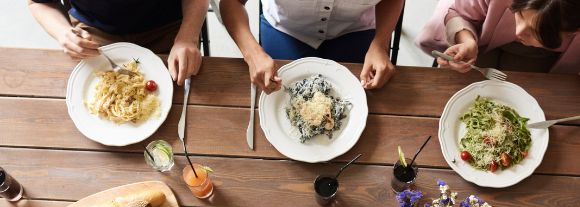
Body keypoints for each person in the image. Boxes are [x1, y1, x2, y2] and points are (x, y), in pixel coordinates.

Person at [218, 0, 405, 93]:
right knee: (278, 99)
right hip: (286, 28)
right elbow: (231, 2)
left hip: (356, 29)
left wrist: (380, 43)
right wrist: (253, 54)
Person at [27, 0, 210, 84]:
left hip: (169, 27)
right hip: (93, 32)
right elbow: (39, 2)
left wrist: (188, 37)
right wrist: (63, 33)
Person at [417, 0, 580, 74]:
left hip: (544, 58)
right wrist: (466, 41)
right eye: (521, 15)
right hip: (482, 37)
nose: (518, 32)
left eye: (536, 32)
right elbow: (459, 12)